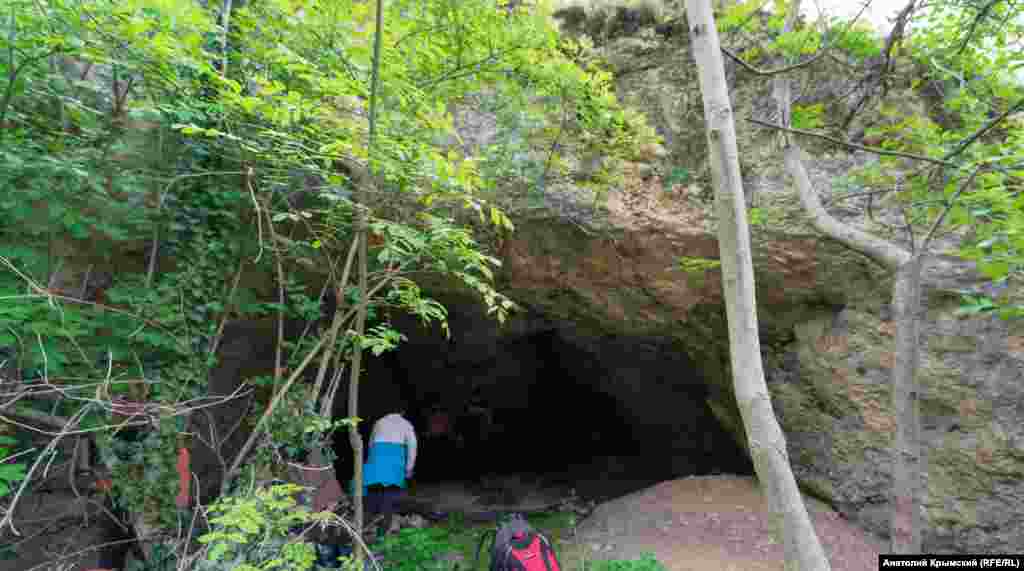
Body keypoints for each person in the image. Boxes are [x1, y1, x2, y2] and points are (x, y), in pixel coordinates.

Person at [358, 401, 417, 540]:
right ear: (402, 412)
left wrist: (372, 463)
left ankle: (364, 533)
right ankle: (381, 536)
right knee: (389, 501)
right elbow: (412, 448)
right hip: (394, 466)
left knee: (371, 501)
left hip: (375, 464)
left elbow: (371, 444)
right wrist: (409, 468)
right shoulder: (406, 424)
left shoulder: (379, 422)